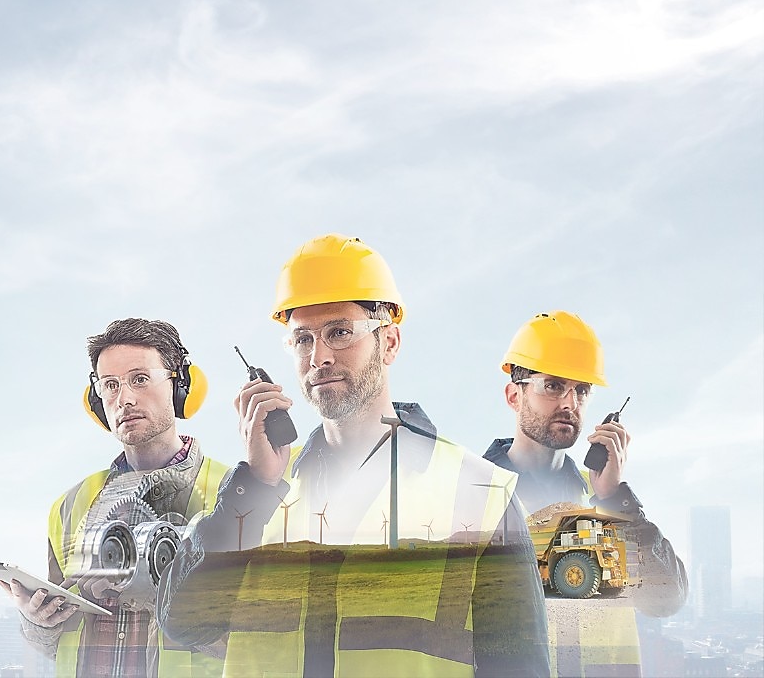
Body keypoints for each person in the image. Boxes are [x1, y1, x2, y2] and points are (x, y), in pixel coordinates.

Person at [158, 234, 550, 677]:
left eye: (340, 332)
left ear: (390, 342)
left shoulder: (479, 493)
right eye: (302, 339)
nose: (319, 357)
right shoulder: (258, 491)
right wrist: (254, 485)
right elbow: (184, 624)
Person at [0, 318, 230, 677]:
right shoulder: (71, 505)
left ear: (181, 385)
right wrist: (38, 621)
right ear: (97, 401)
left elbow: (264, 643)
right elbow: (57, 643)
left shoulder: (235, 495)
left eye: (140, 379)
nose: (125, 398)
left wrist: (165, 601)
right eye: (110, 385)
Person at [484, 311, 688, 676]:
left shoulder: (602, 498)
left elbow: (665, 599)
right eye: (553, 385)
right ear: (514, 396)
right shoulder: (473, 494)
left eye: (581, 390)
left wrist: (614, 498)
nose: (570, 403)